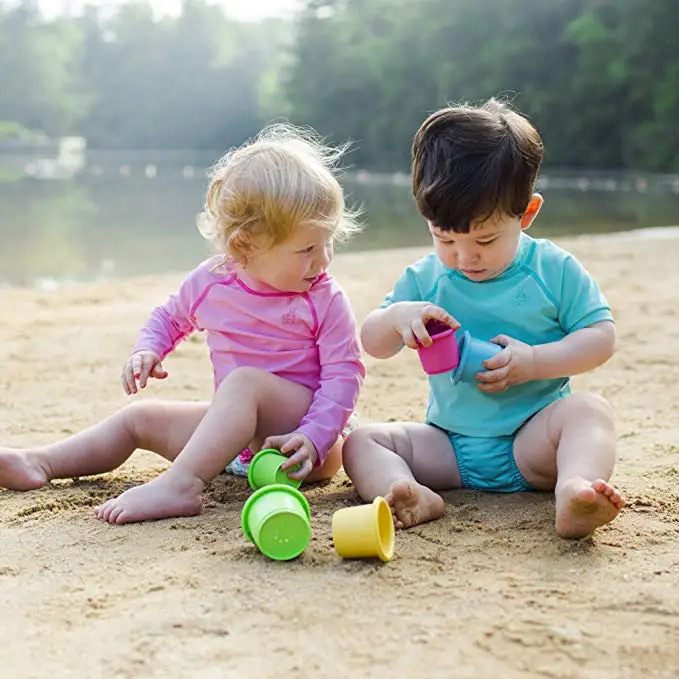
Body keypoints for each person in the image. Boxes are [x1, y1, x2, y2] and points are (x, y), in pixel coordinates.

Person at [0, 123, 365, 524]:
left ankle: (183, 483)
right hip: (237, 444)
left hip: (305, 446)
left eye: (328, 242)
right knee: (137, 419)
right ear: (245, 245)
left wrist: (314, 436)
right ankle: (41, 463)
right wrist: (148, 348)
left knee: (244, 382)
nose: (324, 259)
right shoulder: (213, 281)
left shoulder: (324, 299)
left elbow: (344, 375)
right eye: (308, 248)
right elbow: (169, 316)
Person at [342, 99, 625, 539]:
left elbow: (600, 337)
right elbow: (373, 342)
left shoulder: (552, 269)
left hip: (532, 441)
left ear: (526, 214)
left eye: (486, 239)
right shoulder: (425, 278)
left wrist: (533, 362)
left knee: (590, 411)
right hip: (449, 446)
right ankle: (411, 492)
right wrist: (399, 316)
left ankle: (574, 490)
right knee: (361, 442)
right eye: (445, 238)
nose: (465, 257)